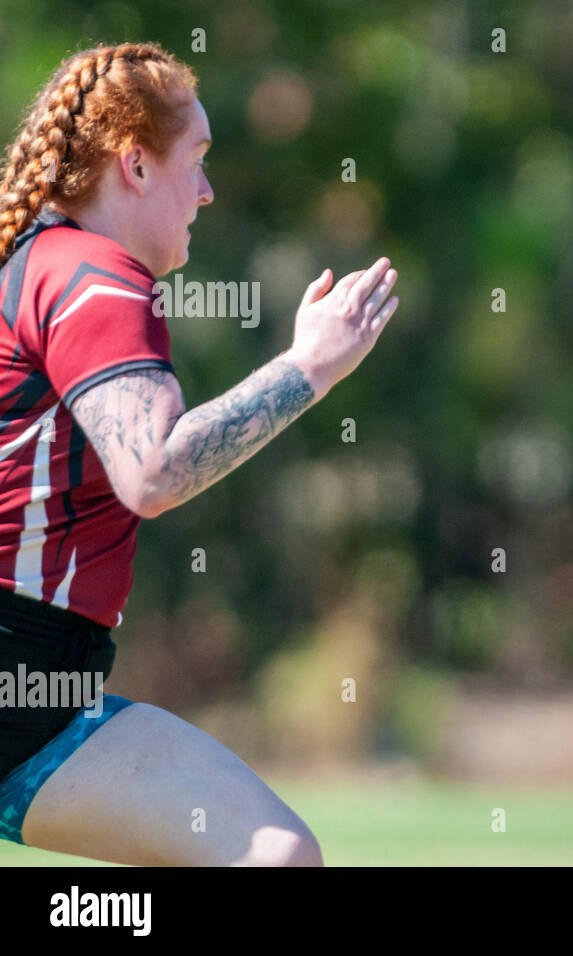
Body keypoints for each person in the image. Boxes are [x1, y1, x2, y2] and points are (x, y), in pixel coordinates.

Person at [0, 42, 398, 865]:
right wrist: (310, 367)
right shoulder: (93, 276)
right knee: (274, 854)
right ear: (135, 166)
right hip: (20, 688)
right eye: (198, 160)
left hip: (40, 690)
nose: (208, 190)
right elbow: (153, 473)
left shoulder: (34, 263)